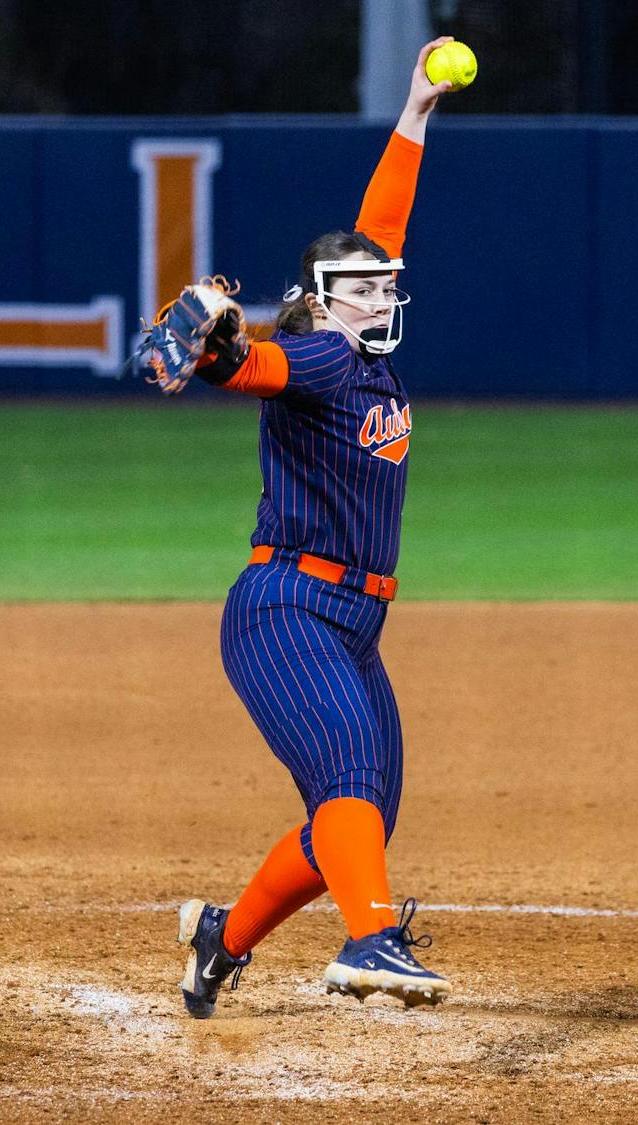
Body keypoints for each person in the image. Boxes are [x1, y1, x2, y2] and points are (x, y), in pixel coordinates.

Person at [172, 38, 461, 1019]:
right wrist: (216, 343)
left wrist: (416, 113)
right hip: (287, 607)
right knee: (346, 776)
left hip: (352, 622)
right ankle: (372, 942)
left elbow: (379, 228)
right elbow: (253, 370)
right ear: (328, 301)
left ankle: (222, 940)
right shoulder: (323, 357)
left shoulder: (361, 354)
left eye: (387, 284)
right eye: (367, 287)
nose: (384, 293)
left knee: (358, 813)